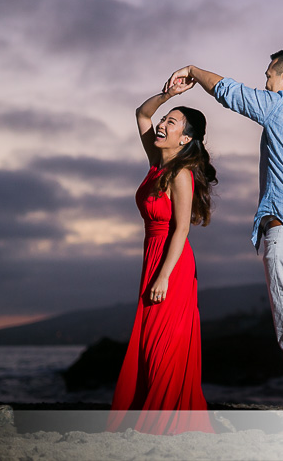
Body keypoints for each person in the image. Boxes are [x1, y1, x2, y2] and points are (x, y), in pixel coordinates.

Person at [165, 48, 283, 414]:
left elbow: (230, 92)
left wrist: (194, 70)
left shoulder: (281, 107)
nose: (266, 83)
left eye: (270, 76)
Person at [107, 79, 216, 435]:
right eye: (165, 119)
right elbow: (142, 113)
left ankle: (164, 423)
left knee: (162, 344)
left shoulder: (180, 174)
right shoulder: (156, 161)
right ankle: (149, 415)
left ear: (185, 139)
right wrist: (170, 95)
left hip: (172, 264)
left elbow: (182, 229)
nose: (163, 124)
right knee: (149, 342)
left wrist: (164, 276)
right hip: (152, 257)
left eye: (173, 122)